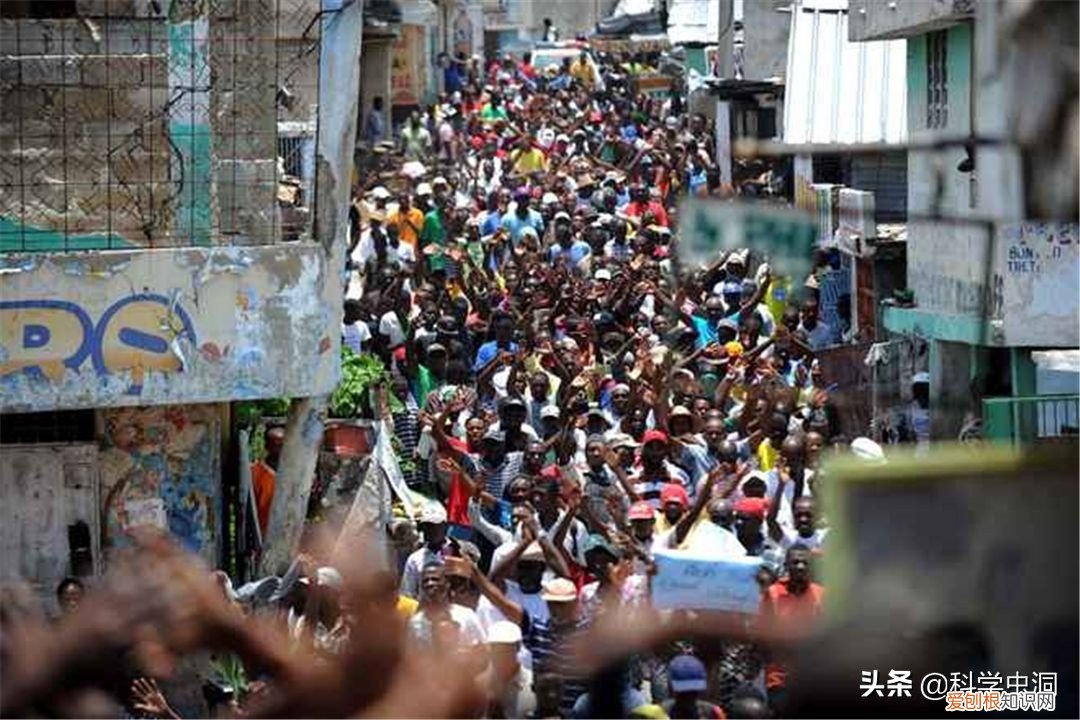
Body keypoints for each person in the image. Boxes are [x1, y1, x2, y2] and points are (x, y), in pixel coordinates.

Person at [662, 654, 725, 719]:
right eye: (683, 693)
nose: (688, 698)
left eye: (692, 692)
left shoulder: (713, 713)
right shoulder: (659, 713)